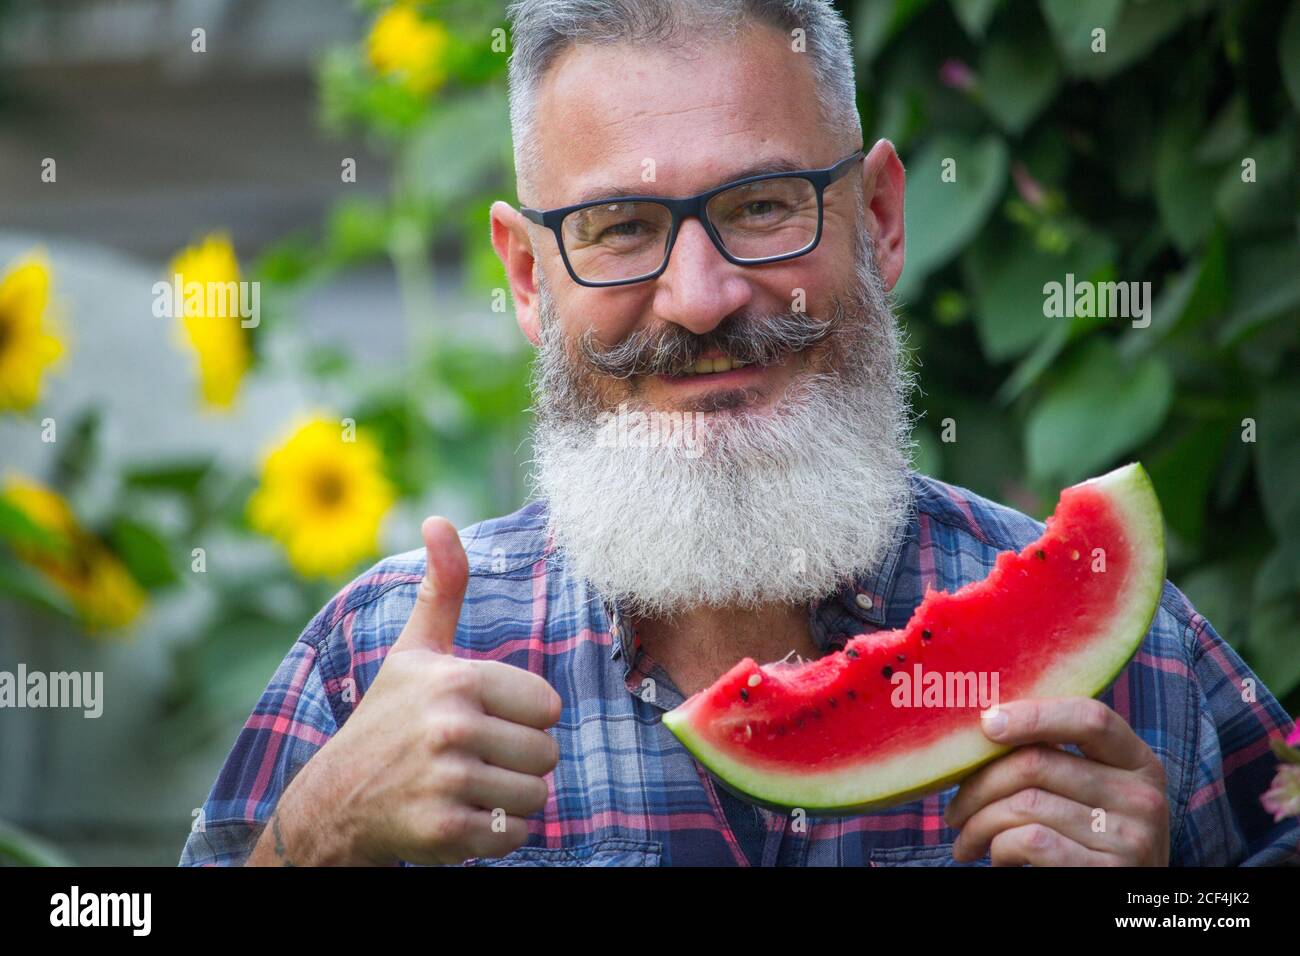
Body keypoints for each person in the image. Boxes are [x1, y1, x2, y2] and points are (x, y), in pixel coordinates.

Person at [180, 0, 1298, 867]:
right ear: (528, 275)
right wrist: (308, 841)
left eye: (764, 205)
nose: (701, 297)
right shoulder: (369, 667)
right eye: (620, 228)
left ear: (879, 220)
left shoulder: (1136, 661)